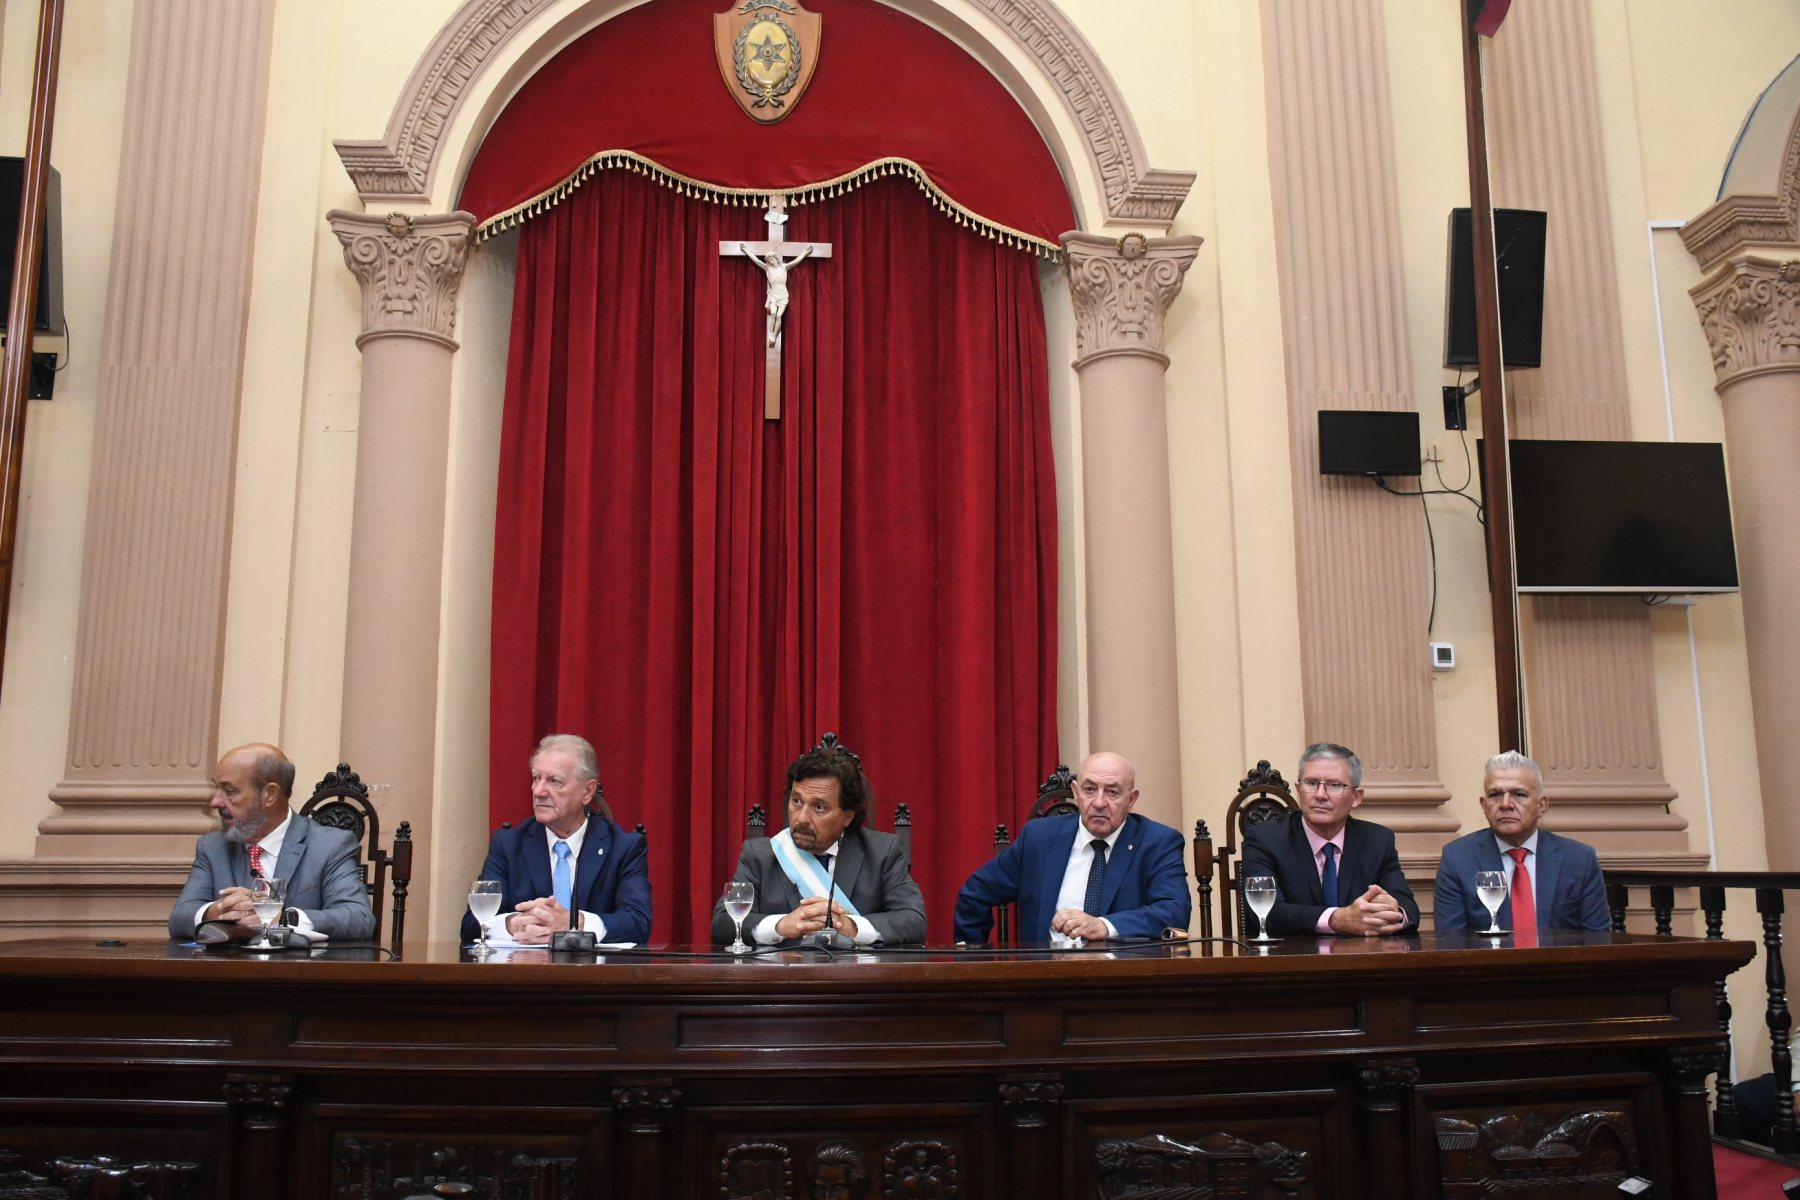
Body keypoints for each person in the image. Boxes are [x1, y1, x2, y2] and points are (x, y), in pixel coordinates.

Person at [953, 751, 1190, 945]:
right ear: (1076, 793)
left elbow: (1174, 911)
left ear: (1131, 799)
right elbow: (975, 894)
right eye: (1089, 790)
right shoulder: (1039, 839)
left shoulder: (1157, 843)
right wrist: (974, 962)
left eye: (1112, 792)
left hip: (1122, 980)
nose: (1099, 803)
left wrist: (1103, 926)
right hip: (1046, 977)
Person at [709, 735, 925, 946]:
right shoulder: (759, 855)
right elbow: (722, 924)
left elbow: (914, 921)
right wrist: (779, 926)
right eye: (796, 801)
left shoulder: (882, 852)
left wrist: (851, 926)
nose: (802, 818)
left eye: (819, 807)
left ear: (847, 816)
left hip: (858, 970)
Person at [168, 743, 376, 941]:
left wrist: (282, 919)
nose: (215, 802)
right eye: (217, 789)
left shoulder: (329, 845)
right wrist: (218, 911)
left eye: (230, 791)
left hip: (300, 965)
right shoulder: (212, 847)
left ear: (269, 794)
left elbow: (359, 918)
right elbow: (180, 917)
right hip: (229, 964)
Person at [462, 734, 652, 945]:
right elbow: (471, 925)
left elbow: (637, 922)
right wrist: (514, 924)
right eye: (536, 778)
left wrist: (573, 923)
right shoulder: (508, 844)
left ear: (587, 791)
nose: (539, 791)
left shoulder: (623, 848)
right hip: (523, 965)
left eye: (554, 781)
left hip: (594, 966)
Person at [1239, 742, 1419, 936]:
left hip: (1361, 953)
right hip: (1290, 952)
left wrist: (1391, 912)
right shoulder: (1265, 839)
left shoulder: (1377, 840)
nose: (1320, 795)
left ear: (1356, 797)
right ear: (1298, 790)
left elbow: (1408, 908)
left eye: (1334, 785)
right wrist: (1337, 919)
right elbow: (1265, 914)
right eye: (1311, 783)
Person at [1433, 750, 1609, 933]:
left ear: (1541, 805)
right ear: (1484, 806)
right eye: (1495, 794)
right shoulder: (1458, 859)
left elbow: (1597, 939)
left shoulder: (1579, 860)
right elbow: (1451, 941)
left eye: (1518, 794)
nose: (1505, 804)